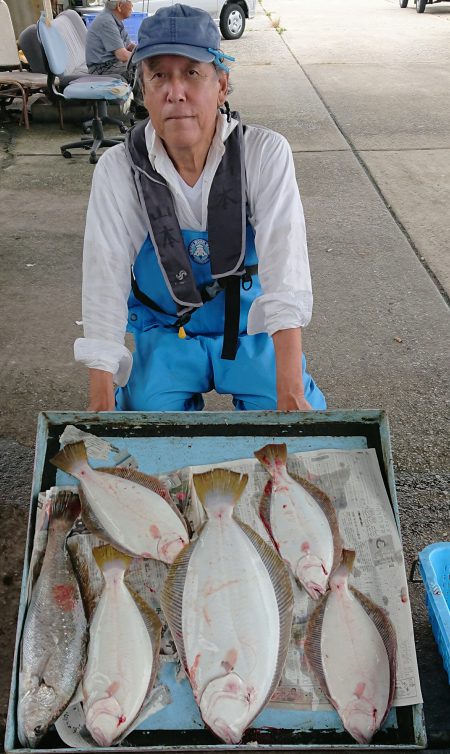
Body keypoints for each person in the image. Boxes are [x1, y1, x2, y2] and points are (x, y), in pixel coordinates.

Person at [75, 3, 326, 413]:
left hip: (251, 332)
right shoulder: (118, 170)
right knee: (141, 446)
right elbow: (104, 283)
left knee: (303, 443)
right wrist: (102, 407)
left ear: (222, 84)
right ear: (143, 89)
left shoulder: (264, 154)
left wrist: (291, 391)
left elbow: (286, 271)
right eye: (158, 76)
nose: (175, 91)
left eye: (191, 72)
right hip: (167, 334)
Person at [85, 0, 136, 81]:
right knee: (141, 70)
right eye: (129, 1)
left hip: (112, 65)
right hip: (102, 69)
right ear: (119, 6)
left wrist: (145, 50)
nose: (132, 5)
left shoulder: (114, 19)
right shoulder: (106, 21)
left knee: (145, 66)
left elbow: (129, 46)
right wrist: (143, 57)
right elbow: (122, 55)